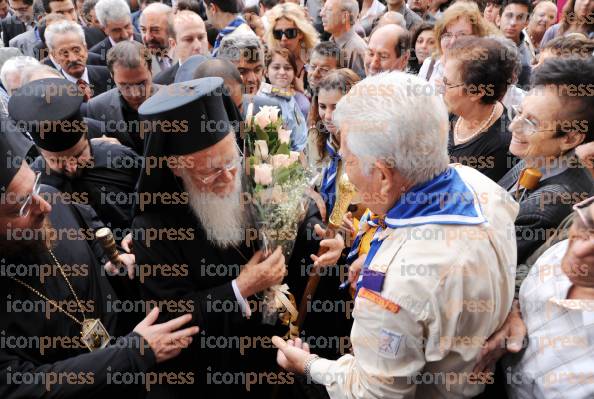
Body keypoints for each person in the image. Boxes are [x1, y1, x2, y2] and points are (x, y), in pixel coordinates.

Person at [273, 71, 519, 398]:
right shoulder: (481, 186)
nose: (348, 178)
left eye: (349, 161)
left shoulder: (395, 287)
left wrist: (308, 365)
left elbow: (374, 392)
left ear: (385, 176)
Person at [132, 76, 344, 396]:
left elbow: (291, 207)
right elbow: (172, 315)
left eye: (231, 160)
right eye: (211, 171)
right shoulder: (153, 227)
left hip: (277, 351)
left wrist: (323, 238)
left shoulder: (246, 170)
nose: (229, 177)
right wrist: (239, 288)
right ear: (176, 166)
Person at [0, 81, 199, 398]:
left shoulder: (51, 198)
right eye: (22, 205)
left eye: (34, 189)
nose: (45, 207)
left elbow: (100, 252)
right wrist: (130, 355)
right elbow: (16, 386)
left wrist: (124, 261)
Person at [10, 76, 141, 231]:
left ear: (88, 138)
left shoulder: (119, 157)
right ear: (42, 154)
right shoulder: (35, 189)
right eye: (57, 161)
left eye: (78, 155)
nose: (71, 168)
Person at [498, 57, 594, 265]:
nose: (513, 127)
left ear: (570, 138)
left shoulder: (548, 205)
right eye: (519, 112)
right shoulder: (541, 155)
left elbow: (489, 262)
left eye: (531, 123)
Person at [503, 196, 594, 398]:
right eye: (590, 225)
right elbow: (525, 269)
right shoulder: (565, 238)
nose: (579, 250)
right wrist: (512, 310)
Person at [440, 36, 517, 182]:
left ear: (476, 92)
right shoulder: (451, 111)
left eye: (448, 83)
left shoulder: (500, 145)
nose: (442, 88)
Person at [85, 41, 159, 154]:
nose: (135, 94)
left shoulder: (173, 100)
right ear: (112, 76)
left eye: (141, 83)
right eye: (125, 85)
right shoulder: (97, 108)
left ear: (151, 71)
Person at [307, 68, 360, 214]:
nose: (328, 116)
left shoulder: (366, 149)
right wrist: (311, 195)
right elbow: (302, 180)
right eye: (322, 106)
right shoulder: (314, 138)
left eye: (336, 107)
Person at [418, 1, 496, 85]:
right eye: (447, 35)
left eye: (462, 35)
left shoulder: (485, 71)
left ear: (477, 37)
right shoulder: (430, 64)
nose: (453, 42)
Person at [45, 20, 113, 100]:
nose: (73, 59)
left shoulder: (109, 76)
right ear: (54, 56)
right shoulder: (52, 92)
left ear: (85, 49)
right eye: (64, 53)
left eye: (76, 50)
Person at [260, 47, 308, 151]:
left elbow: (300, 136)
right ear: (266, 72)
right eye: (276, 67)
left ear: (294, 72)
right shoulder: (260, 97)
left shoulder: (291, 99)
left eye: (287, 68)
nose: (282, 72)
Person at [265, 2, 319, 93]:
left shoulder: (316, 61)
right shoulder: (268, 59)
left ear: (301, 33)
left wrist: (302, 94)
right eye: (278, 33)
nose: (283, 38)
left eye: (290, 33)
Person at [153, 10, 208, 85]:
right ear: (173, 44)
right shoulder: (162, 82)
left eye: (201, 37)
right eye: (188, 39)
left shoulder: (223, 72)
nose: (198, 46)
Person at [321, 0, 367, 78]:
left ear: (345, 17)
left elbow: (356, 85)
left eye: (328, 10)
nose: (321, 14)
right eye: (322, 9)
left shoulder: (357, 50)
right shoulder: (332, 41)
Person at [89, 0, 142, 64]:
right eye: (117, 30)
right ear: (104, 29)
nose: (125, 35)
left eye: (127, 26)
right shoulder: (95, 58)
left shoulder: (148, 44)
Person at [498, 0, 532, 86]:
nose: (513, 23)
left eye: (520, 17)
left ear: (526, 23)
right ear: (498, 19)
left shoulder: (524, 63)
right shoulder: (482, 44)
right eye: (509, 16)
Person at [139, 2, 174, 76]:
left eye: (155, 30)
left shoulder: (187, 54)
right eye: (144, 30)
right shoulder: (138, 63)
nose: (148, 37)